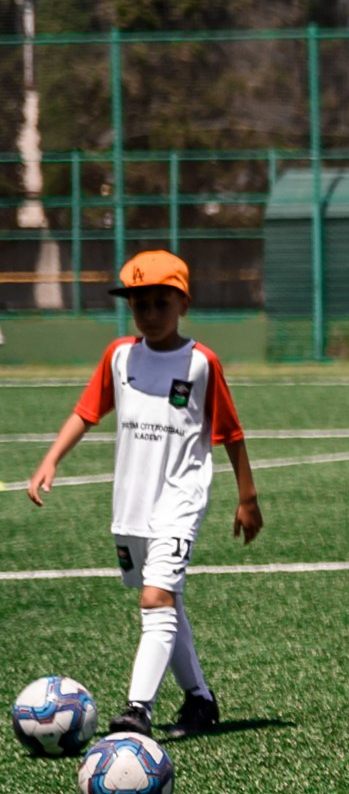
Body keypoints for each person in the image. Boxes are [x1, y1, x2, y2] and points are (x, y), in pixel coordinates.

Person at [26, 250, 262, 739]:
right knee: (164, 603)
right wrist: (51, 459)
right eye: (140, 305)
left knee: (155, 600)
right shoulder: (119, 356)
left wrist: (248, 497)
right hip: (131, 506)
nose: (150, 315)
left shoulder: (200, 363)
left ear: (182, 303)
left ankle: (138, 709)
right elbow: (87, 412)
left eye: (160, 303)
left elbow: (231, 434)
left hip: (180, 498)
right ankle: (199, 701)